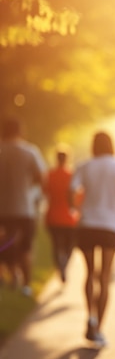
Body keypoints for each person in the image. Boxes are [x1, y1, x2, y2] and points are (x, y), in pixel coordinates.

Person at [70, 131, 115, 347]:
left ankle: (90, 316)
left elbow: (72, 189)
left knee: (89, 273)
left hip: (87, 223)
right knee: (105, 277)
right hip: (109, 225)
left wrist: (76, 209)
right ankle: (99, 328)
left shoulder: (85, 166)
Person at [0, 117, 47, 296]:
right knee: (25, 247)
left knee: (4, 243)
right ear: (20, 131)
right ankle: (26, 284)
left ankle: (8, 274)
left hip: (2, 208)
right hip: (24, 207)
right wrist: (31, 188)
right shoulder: (30, 151)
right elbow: (41, 177)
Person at [44, 144, 79, 284]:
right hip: (69, 217)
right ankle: (64, 264)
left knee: (56, 245)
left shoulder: (49, 175)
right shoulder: (72, 176)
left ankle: (60, 265)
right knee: (70, 245)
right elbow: (77, 196)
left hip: (52, 216)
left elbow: (45, 192)